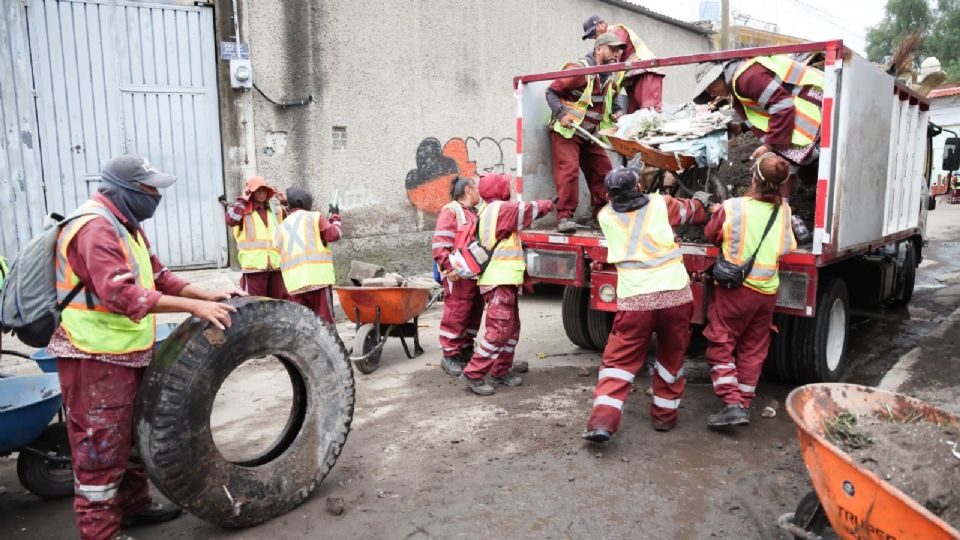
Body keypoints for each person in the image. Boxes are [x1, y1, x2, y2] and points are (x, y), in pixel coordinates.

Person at [45, 155, 242, 540]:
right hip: (94, 356)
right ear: (124, 190)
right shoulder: (94, 229)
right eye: (149, 189)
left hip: (127, 351)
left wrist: (205, 293)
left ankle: (134, 505)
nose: (155, 196)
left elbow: (160, 277)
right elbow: (120, 294)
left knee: (133, 433)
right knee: (100, 447)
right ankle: (99, 531)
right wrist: (194, 307)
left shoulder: (125, 224)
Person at [582, 168, 710, 441]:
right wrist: (701, 201)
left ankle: (602, 423)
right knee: (670, 357)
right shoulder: (661, 203)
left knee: (619, 362)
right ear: (639, 185)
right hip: (675, 296)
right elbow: (692, 212)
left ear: (608, 195)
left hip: (636, 302)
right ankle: (664, 417)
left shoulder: (605, 216)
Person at [702, 153, 796, 428]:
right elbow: (787, 247)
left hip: (735, 290)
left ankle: (731, 403)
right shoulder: (784, 211)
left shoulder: (734, 207)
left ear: (754, 177)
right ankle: (742, 403)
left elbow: (711, 233)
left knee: (720, 342)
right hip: (767, 292)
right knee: (754, 349)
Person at [459, 173, 553, 395]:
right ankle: (473, 373)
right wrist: (552, 203)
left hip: (503, 279)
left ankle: (501, 370)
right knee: (500, 330)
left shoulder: (487, 209)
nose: (510, 188)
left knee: (510, 329)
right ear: (499, 189)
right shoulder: (501, 209)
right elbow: (529, 209)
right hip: (498, 280)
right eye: (507, 185)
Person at [692, 55, 824, 196]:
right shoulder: (740, 80)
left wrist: (770, 145)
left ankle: (820, 176)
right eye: (706, 90)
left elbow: (782, 107)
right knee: (797, 157)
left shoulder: (746, 77)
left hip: (819, 103)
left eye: (711, 85)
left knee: (803, 156)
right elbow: (764, 110)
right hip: (811, 105)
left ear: (721, 74)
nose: (710, 92)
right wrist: (742, 127)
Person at [545, 32, 626, 233]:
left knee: (604, 172)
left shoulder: (611, 75)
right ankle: (564, 217)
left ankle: (601, 215)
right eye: (612, 49)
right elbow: (551, 92)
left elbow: (613, 98)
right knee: (569, 170)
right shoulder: (579, 71)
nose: (617, 54)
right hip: (567, 132)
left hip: (590, 135)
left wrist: (617, 111)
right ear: (598, 49)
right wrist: (561, 114)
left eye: (619, 50)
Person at [432, 176, 484, 376]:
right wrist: (448, 268)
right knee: (457, 312)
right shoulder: (451, 211)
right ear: (469, 190)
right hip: (457, 274)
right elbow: (439, 244)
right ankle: (450, 355)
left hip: (472, 274)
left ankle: (465, 350)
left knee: (473, 312)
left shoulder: (473, 212)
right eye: (477, 188)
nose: (480, 192)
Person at [275, 187, 341, 323]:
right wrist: (335, 217)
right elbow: (335, 234)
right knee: (325, 324)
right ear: (306, 203)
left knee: (304, 326)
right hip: (318, 280)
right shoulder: (314, 217)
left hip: (294, 284)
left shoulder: (280, 227)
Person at [581, 15, 664, 112]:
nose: (594, 37)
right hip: (633, 75)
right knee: (634, 114)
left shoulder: (616, 31)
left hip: (646, 71)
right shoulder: (609, 39)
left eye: (593, 33)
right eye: (591, 36)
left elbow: (610, 63)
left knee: (650, 110)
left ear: (602, 25)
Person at [224, 176, 288, 298]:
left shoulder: (275, 212)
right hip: (254, 269)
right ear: (251, 193)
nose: (261, 193)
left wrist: (285, 202)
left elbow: (295, 218)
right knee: (255, 305)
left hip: (275, 267)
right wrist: (242, 200)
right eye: (258, 190)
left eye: (264, 190)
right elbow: (230, 220)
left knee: (277, 304)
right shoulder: (242, 212)